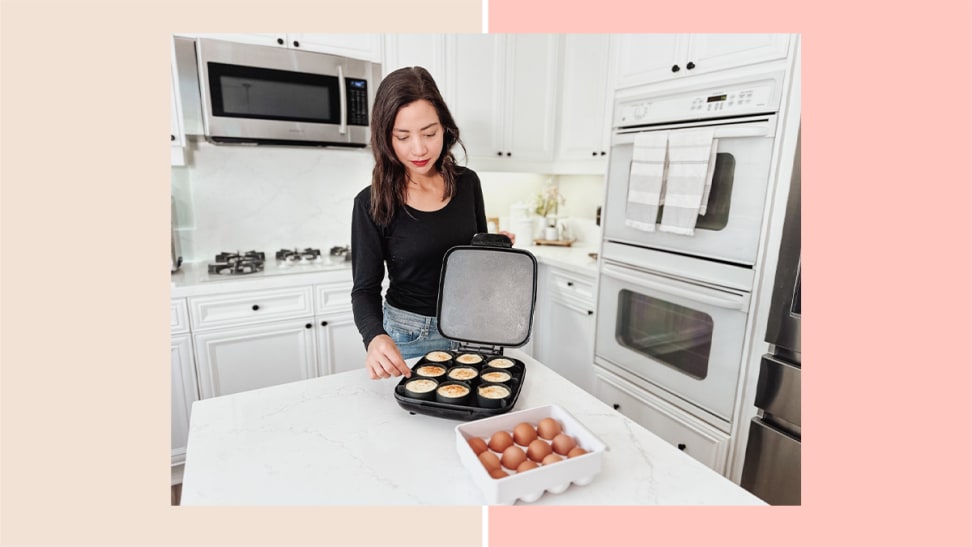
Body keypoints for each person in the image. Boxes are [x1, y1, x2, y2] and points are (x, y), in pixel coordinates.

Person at [350, 66, 515, 380]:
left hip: (473, 327)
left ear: (445, 129)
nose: (419, 148)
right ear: (386, 138)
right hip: (411, 335)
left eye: (429, 133)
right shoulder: (371, 203)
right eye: (403, 136)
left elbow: (473, 261)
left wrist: (495, 253)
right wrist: (374, 337)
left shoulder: (467, 184)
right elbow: (364, 290)